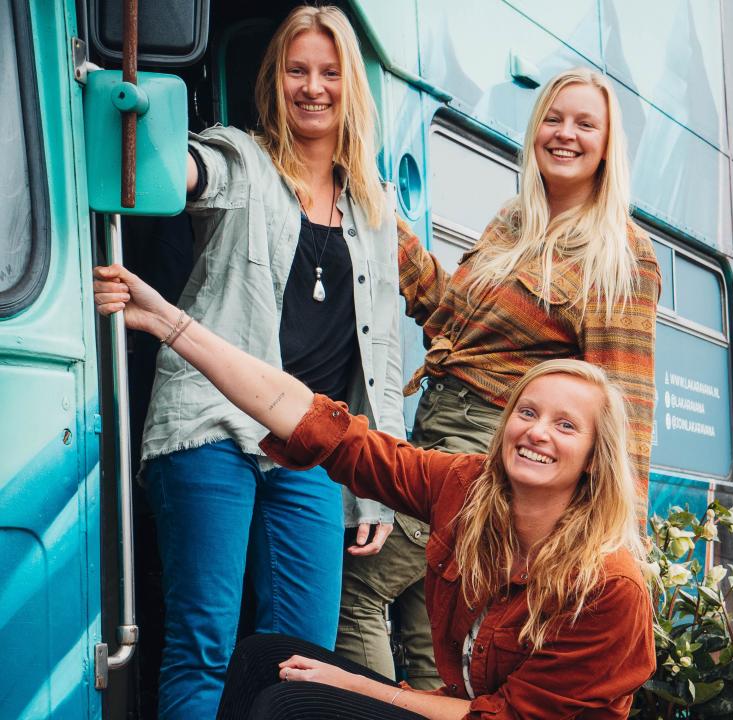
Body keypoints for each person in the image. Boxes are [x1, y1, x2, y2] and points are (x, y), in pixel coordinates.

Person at [91, 263, 657, 718]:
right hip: (460, 709)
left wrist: (359, 688)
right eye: (527, 412)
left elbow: (500, 716)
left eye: (565, 425)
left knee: (293, 700)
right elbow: (320, 427)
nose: (536, 432)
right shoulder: (467, 488)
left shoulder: (609, 586)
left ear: (592, 458)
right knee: (265, 657)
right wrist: (171, 324)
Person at [348, 66, 662, 689]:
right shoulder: (514, 223)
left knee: (355, 590)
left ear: (607, 146)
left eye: (584, 123)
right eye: (553, 118)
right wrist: (382, 215)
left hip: (497, 449)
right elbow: (445, 314)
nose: (564, 134)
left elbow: (623, 402)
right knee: (429, 623)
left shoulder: (619, 253)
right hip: (436, 425)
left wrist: (619, 534)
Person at [136, 6, 405, 717]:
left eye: (328, 73)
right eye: (296, 71)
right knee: (204, 645)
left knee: (303, 660)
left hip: (309, 445)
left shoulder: (375, 208)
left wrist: (376, 488)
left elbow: (382, 355)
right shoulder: (245, 159)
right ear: (274, 80)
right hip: (211, 427)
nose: (312, 88)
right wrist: (160, 141)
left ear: (351, 87)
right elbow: (196, 171)